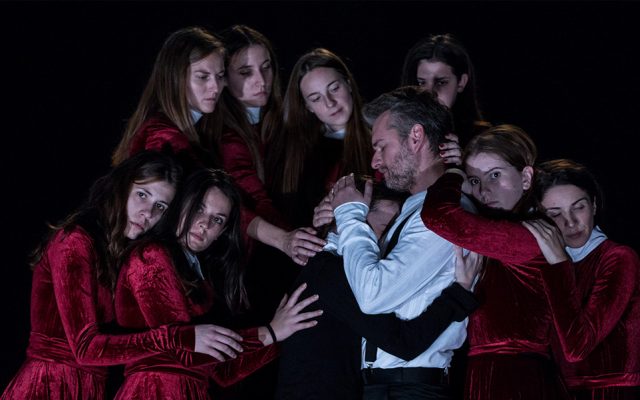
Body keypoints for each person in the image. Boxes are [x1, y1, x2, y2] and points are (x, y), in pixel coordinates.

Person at [1, 151, 228, 400]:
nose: (147, 213)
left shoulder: (124, 255)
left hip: (91, 388)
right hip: (49, 385)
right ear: (121, 186)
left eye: (160, 206)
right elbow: (86, 348)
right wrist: (178, 338)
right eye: (142, 195)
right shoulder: (74, 242)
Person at [113, 168, 321, 399]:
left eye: (217, 219)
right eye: (199, 208)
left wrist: (281, 332)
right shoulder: (150, 256)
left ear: (221, 233)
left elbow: (223, 371)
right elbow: (183, 350)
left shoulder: (200, 277)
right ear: (180, 205)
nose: (204, 224)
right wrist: (270, 332)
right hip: (153, 390)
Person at [324, 86, 473, 399]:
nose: (375, 162)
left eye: (382, 146)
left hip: (413, 387)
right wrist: (336, 231)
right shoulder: (416, 207)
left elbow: (373, 295)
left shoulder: (446, 212)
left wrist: (350, 215)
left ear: (415, 137)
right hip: (386, 385)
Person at [277, 177, 482, 399]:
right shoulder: (331, 271)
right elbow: (404, 343)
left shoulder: (327, 266)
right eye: (385, 229)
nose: (389, 242)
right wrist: (460, 293)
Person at [420, 125, 570, 399]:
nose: (485, 190)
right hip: (486, 373)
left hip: (517, 378)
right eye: (476, 180)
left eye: (495, 175)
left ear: (526, 177)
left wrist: (453, 173)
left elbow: (437, 214)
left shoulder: (529, 236)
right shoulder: (496, 229)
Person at [522, 159, 640, 400]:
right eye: (555, 214)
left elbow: (577, 347)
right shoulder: (542, 264)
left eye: (579, 207)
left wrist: (558, 264)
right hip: (558, 390)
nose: (571, 222)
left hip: (612, 392)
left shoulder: (618, 258)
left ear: (594, 205)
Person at [208, 24, 325, 266]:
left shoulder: (285, 119)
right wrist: (296, 240)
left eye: (266, 67)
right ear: (224, 77)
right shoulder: (228, 138)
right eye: (245, 72)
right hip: (256, 258)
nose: (261, 81)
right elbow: (254, 201)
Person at [269, 48, 373, 229]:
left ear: (348, 83)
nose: (330, 103)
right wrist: (316, 220)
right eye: (316, 98)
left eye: (334, 88)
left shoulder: (380, 136)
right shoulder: (296, 154)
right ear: (307, 106)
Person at [111, 26, 225, 171]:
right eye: (202, 77)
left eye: (220, 76)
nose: (216, 88)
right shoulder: (163, 138)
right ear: (175, 77)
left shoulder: (198, 129)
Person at [401, 33, 489, 143]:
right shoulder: (399, 134)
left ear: (461, 82)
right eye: (422, 83)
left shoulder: (483, 138)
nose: (429, 92)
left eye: (441, 82)